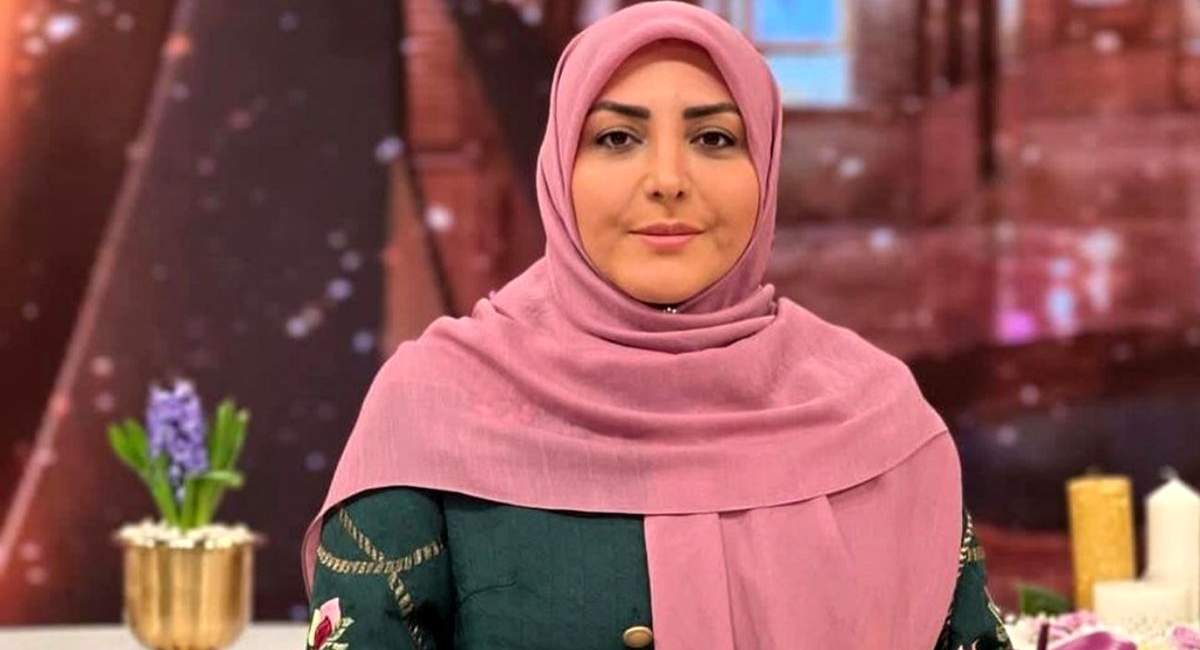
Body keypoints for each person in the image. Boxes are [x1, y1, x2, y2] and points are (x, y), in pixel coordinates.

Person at [300, 3, 1011, 648]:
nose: (668, 178)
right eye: (616, 137)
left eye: (713, 137)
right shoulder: (435, 406)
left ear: (765, 167)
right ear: (560, 168)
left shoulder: (876, 417)